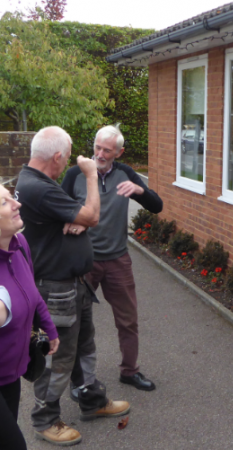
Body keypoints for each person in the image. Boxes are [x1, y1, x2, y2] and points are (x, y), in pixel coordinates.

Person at [15, 126, 130, 446]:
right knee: (59, 356)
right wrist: (91, 175)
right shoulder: (39, 187)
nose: (69, 162)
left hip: (73, 284)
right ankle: (45, 419)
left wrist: (78, 218)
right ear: (56, 157)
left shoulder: (35, 182)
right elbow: (92, 215)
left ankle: (91, 400)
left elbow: (77, 216)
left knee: (84, 349)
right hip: (57, 287)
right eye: (65, 157)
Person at [62, 125, 163, 392]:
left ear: (119, 152)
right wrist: (76, 221)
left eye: (107, 150)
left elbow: (157, 206)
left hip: (118, 260)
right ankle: (78, 379)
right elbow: (58, 211)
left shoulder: (125, 173)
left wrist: (140, 191)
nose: (100, 154)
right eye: (97, 147)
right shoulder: (76, 174)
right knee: (74, 321)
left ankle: (129, 372)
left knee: (128, 320)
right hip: (84, 262)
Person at [0, 184, 59, 450]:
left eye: (11, 196)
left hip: (11, 370)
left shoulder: (20, 244)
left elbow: (32, 292)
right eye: (3, 202)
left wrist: (48, 327)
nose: (16, 204)